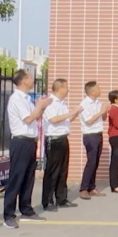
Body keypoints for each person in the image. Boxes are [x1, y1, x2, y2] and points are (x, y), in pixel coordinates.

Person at [4, 70, 52, 229]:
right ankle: (8, 215)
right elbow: (29, 118)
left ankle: (26, 210)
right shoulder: (16, 99)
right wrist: (40, 106)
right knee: (16, 177)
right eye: (30, 77)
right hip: (20, 142)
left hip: (30, 142)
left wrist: (41, 107)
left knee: (28, 178)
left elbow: (36, 116)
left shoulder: (27, 99)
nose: (33, 80)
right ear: (24, 80)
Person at [42, 78, 82, 212]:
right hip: (53, 140)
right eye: (66, 87)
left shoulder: (63, 103)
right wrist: (71, 112)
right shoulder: (50, 102)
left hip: (63, 137)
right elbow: (54, 119)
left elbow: (67, 119)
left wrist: (75, 113)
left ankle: (61, 198)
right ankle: (48, 201)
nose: (68, 90)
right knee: (52, 171)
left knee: (63, 170)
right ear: (60, 88)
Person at [79, 81, 109, 200]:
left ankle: (92, 187)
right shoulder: (84, 104)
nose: (100, 90)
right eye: (98, 88)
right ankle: (83, 188)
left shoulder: (98, 102)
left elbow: (103, 118)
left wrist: (104, 111)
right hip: (90, 135)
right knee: (91, 162)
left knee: (96, 162)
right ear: (92, 91)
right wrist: (101, 111)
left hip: (98, 134)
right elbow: (89, 121)